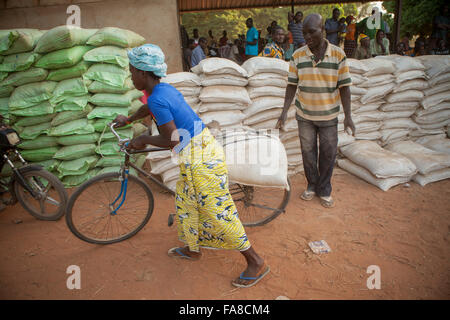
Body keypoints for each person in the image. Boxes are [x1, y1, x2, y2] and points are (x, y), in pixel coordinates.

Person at [113, 44, 269, 288]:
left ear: (143, 73)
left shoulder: (159, 97)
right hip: (195, 151)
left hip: (201, 156)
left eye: (132, 71)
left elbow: (171, 139)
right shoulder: (162, 90)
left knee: (218, 212)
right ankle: (193, 248)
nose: (130, 75)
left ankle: (255, 260)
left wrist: (142, 139)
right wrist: (130, 119)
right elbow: (150, 108)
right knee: (185, 201)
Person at [276, 13, 355, 209]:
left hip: (329, 115)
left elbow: (345, 87)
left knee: (328, 153)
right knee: (308, 152)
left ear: (323, 31)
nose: (307, 37)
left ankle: (324, 189)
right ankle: (312, 185)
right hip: (305, 116)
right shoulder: (297, 56)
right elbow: (291, 86)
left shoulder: (338, 55)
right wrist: (284, 111)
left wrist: (348, 117)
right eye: (304, 33)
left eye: (312, 32)